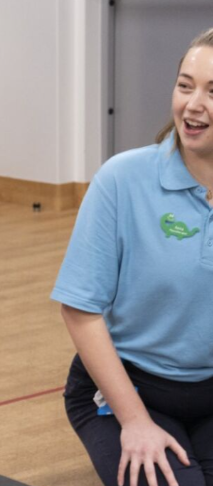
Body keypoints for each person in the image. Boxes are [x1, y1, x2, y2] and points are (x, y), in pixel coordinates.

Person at [53, 27, 213, 486]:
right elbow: (80, 309)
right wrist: (137, 422)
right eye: (185, 85)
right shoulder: (122, 179)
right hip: (125, 390)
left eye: (212, 91)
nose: (193, 104)